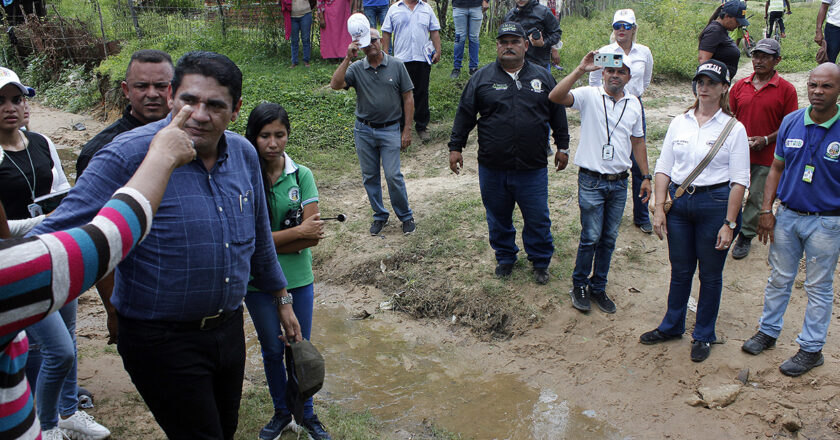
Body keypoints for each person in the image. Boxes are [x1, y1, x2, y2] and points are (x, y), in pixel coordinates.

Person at [30, 51, 302, 439]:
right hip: (159, 338)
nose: (199, 114)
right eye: (190, 100)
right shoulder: (128, 155)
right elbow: (55, 234)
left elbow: (258, 238)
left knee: (224, 429)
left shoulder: (243, 154)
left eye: (215, 105)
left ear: (236, 109)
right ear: (173, 96)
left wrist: (281, 298)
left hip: (227, 329)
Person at [0, 107, 196, 440]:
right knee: (55, 350)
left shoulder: (41, 143)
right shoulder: (11, 277)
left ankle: (60, 414)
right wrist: (160, 157)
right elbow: (107, 238)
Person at [0, 68, 106, 440]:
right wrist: (41, 221)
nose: (11, 108)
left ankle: (68, 410)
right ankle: (39, 422)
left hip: (54, 253)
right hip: (14, 261)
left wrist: (60, 219)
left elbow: (64, 192)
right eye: (1, 101)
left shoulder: (43, 142)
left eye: (17, 99)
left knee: (70, 332)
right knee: (43, 345)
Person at [640, 60, 750, 362]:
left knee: (711, 273)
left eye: (712, 83)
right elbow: (664, 168)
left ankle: (703, 333)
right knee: (680, 269)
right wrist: (659, 208)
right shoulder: (680, 121)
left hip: (715, 204)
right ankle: (672, 325)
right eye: (700, 81)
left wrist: (729, 223)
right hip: (680, 204)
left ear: (724, 88)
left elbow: (739, 180)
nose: (704, 87)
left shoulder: (734, 128)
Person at [449, 21, 570, 284]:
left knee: (537, 217)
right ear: (497, 46)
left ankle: (540, 261)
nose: (509, 46)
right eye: (503, 42)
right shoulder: (481, 78)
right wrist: (455, 147)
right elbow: (465, 115)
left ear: (526, 46)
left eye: (515, 41)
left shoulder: (543, 77)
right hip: (493, 166)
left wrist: (563, 146)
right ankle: (505, 257)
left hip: (533, 166)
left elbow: (558, 114)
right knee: (498, 215)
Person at [740, 63, 840, 377]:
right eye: (813, 85)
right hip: (787, 216)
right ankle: (767, 332)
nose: (818, 92)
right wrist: (766, 210)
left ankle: (811, 349)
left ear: (838, 90)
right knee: (779, 279)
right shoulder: (791, 121)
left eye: (826, 86)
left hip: (827, 222)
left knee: (819, 287)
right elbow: (776, 169)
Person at [243, 103, 331, 440]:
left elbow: (314, 237)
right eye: (265, 135)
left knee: (299, 345)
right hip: (257, 282)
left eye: (279, 134)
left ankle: (306, 414)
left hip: (298, 278)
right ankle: (282, 412)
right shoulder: (244, 177)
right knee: (271, 349)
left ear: (287, 135)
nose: (272, 142)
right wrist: (294, 235)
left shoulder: (301, 175)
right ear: (253, 137)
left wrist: (267, 240)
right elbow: (249, 242)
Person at [548, 50, 651, 315]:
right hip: (592, 181)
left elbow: (638, 141)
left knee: (609, 238)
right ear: (603, 73)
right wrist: (581, 69)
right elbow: (555, 97)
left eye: (621, 71)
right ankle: (579, 285)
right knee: (590, 236)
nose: (615, 75)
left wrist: (646, 175)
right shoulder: (589, 95)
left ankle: (598, 286)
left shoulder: (634, 104)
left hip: (619, 183)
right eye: (611, 71)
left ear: (629, 76)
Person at [330, 22, 417, 236]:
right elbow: (335, 84)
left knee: (393, 175)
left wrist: (406, 130)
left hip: (390, 130)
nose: (371, 46)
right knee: (369, 176)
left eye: (374, 41)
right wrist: (348, 57)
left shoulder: (396, 65)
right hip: (364, 130)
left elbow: (408, 98)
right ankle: (380, 216)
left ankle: (406, 216)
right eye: (366, 44)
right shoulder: (357, 68)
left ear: (382, 41)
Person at [728, 39, 798, 259]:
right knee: (731, 190)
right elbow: (728, 116)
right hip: (738, 151)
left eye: (765, 57)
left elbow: (789, 124)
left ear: (777, 60)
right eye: (756, 56)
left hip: (768, 154)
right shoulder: (741, 85)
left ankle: (746, 235)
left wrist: (767, 139)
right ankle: (729, 225)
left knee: (757, 196)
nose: (758, 61)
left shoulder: (786, 89)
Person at [589, 8, 654, 234]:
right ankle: (603, 207)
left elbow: (645, 79)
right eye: (617, 26)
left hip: (633, 105)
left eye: (626, 26)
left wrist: (632, 97)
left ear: (634, 28)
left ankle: (641, 215)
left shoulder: (643, 52)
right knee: (609, 157)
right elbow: (594, 78)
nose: (621, 31)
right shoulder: (606, 51)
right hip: (608, 106)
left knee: (638, 158)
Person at [76, 49, 174, 177]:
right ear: (126, 90)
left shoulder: (192, 139)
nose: (152, 94)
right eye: (141, 86)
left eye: (161, 86)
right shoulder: (101, 151)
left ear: (174, 89)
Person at [381, 0, 441, 143]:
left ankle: (421, 126)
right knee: (400, 94)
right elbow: (386, 33)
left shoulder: (427, 9)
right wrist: (385, 53)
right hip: (401, 60)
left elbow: (434, 31)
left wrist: (438, 51)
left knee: (421, 92)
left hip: (422, 59)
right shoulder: (394, 9)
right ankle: (400, 126)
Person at [503, 0, 561, 69]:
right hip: (516, 65)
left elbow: (556, 33)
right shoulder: (510, 16)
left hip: (540, 65)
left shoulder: (544, 12)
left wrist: (543, 43)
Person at [698, 0, 747, 82]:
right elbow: (703, 60)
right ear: (727, 16)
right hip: (714, 85)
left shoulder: (722, 30)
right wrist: (710, 84)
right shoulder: (714, 31)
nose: (738, 25)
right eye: (737, 21)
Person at [450, 0, 489, 78]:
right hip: (459, 6)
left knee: (474, 38)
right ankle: (456, 68)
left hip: (477, 6)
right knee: (459, 38)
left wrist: (486, 1)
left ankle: (473, 68)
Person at [289, 0, 313, 67]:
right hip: (292, 16)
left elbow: (313, 2)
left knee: (306, 39)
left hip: (306, 14)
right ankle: (294, 62)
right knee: (294, 40)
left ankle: (306, 61)